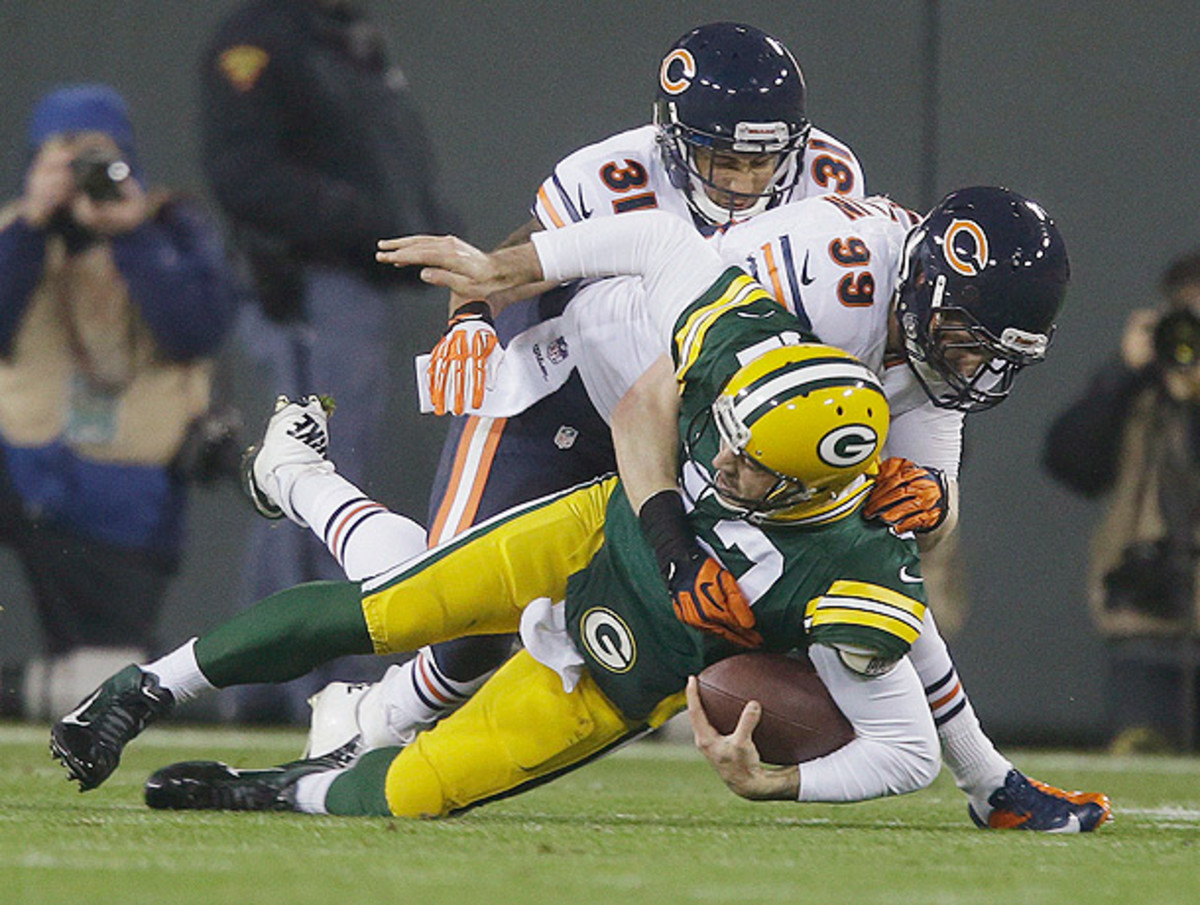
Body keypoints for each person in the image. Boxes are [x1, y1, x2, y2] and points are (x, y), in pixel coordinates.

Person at [55, 192, 1107, 832]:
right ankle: (230, 613)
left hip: (637, 644)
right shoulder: (776, 311)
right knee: (417, 606)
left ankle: (287, 781)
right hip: (599, 418)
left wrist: (805, 773)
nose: (972, 370)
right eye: (964, 341)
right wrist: (498, 276)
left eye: (994, 357)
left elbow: (915, 576)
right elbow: (652, 382)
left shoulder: (873, 518)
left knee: (428, 780)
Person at [352, 18, 872, 754]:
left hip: (690, 422)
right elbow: (508, 262)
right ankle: (305, 490)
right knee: (450, 607)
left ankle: (393, 724)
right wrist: (470, 317)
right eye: (724, 159)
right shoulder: (612, 176)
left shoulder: (830, 179)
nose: (746, 180)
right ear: (674, 140)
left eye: (764, 160)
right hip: (559, 400)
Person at [199, 0, 458, 721]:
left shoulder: (343, 36)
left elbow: (388, 155)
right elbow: (244, 174)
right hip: (306, 281)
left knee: (312, 477)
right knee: (311, 474)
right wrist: (367, 221)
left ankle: (262, 684)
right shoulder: (259, 37)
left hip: (352, 284)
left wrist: (421, 223)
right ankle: (315, 681)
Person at [0, 84, 238, 717]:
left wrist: (133, 236)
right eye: (62, 155)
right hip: (21, 464)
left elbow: (197, 331)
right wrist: (32, 224)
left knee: (104, 679)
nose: (81, 173)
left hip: (121, 487)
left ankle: (31, 689)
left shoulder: (171, 229)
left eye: (97, 157)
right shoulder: (15, 232)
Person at [1044, 251, 1200, 753]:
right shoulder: (1141, 395)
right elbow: (1072, 464)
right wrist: (1122, 373)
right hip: (1147, 618)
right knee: (1141, 756)